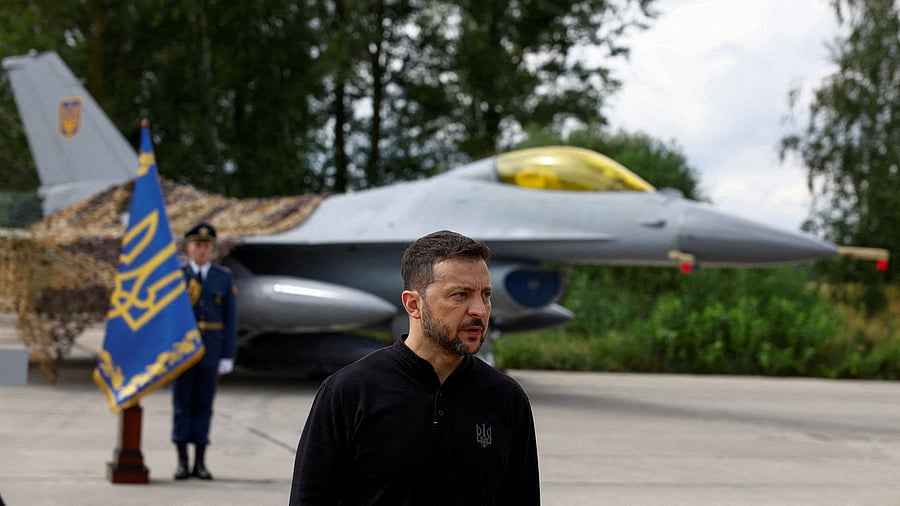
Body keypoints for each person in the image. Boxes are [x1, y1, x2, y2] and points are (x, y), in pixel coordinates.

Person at [289, 230, 540, 505]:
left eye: (486, 295)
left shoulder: (507, 399)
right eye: (461, 295)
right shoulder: (347, 393)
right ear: (413, 304)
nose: (479, 310)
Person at [172, 222, 237, 480]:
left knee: (204, 406)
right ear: (188, 247)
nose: (202, 250)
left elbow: (230, 319)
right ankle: (182, 462)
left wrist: (227, 355)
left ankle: (200, 462)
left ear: (212, 249)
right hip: (183, 351)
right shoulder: (178, 276)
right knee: (182, 405)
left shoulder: (223, 277)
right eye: (197, 245)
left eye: (206, 246)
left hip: (211, 349)